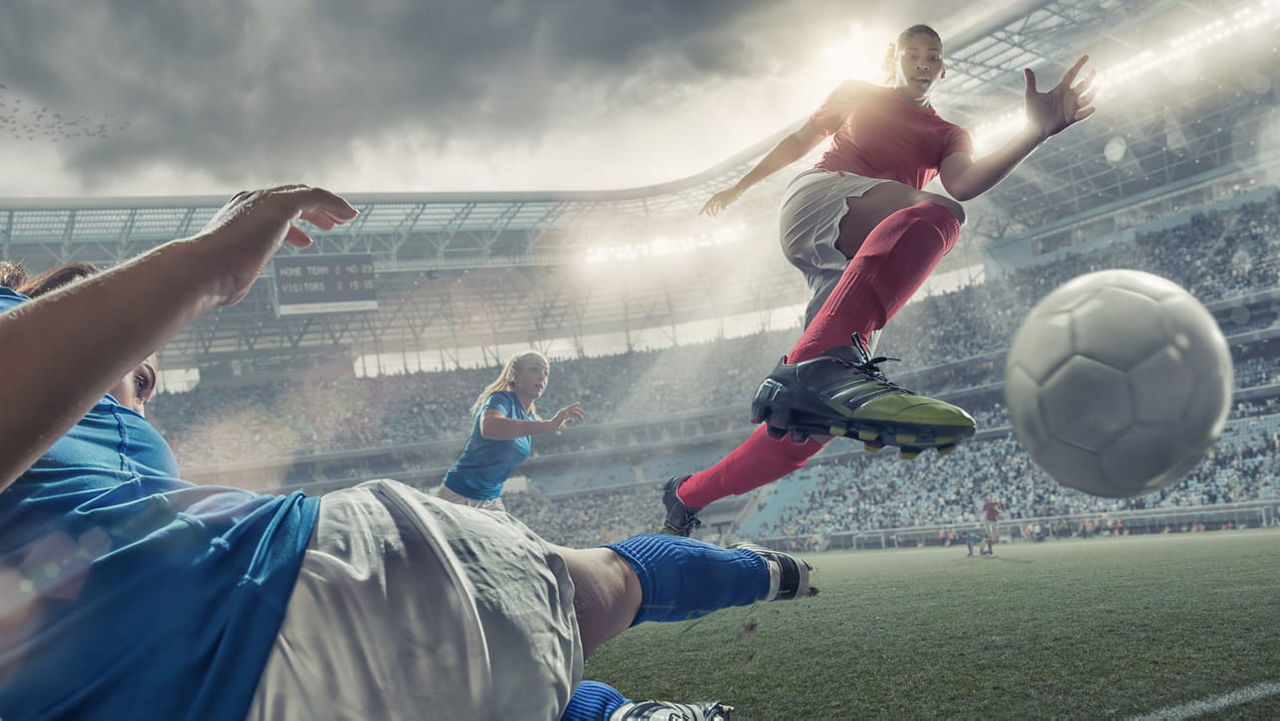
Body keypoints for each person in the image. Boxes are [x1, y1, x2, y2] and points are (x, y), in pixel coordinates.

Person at [0, 186, 817, 721]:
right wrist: (213, 264)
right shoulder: (42, 364)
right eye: (136, 380)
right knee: (606, 583)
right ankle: (770, 579)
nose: (144, 391)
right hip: (345, 590)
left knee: (531, 645)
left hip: (324, 628)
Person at [663, 24, 1096, 535]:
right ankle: (823, 369)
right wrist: (739, 188)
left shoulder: (949, 133)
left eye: (931, 55)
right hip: (821, 200)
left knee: (809, 424)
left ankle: (688, 494)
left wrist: (1034, 132)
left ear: (942, 67)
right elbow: (800, 141)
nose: (920, 62)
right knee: (938, 213)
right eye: (911, 53)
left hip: (860, 257)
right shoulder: (857, 93)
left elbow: (966, 181)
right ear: (894, 59)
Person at [436, 350, 584, 511]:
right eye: (535, 369)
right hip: (459, 495)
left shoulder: (528, 417)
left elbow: (528, 425)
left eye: (546, 373)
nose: (542, 376)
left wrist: (554, 425)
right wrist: (548, 425)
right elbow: (490, 427)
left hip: (489, 499)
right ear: (515, 375)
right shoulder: (500, 399)